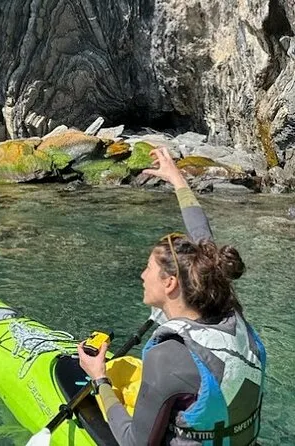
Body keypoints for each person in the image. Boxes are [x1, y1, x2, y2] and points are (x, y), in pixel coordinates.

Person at [77, 148, 266, 445]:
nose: (142, 275)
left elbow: (134, 442)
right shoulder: (231, 314)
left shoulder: (167, 357)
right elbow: (203, 241)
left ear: (170, 283)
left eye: (148, 268)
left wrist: (100, 378)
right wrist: (177, 180)